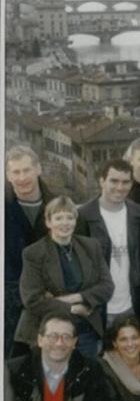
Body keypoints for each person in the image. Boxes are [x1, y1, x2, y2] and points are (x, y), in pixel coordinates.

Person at [16, 196, 113, 359]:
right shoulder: (33, 253)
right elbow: (32, 299)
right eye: (58, 218)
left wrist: (76, 297)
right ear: (48, 222)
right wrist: (74, 308)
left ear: (75, 221)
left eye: (69, 217)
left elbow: (107, 286)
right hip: (51, 333)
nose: (65, 223)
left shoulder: (91, 246)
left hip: (86, 332)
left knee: (85, 381)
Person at [75, 158, 140, 334]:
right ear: (102, 181)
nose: (120, 187)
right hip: (97, 309)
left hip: (131, 307)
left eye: (125, 182)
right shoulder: (83, 216)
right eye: (114, 181)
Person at [6, 145, 55, 357]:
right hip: (10, 308)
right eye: (15, 172)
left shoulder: (59, 206)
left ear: (38, 169)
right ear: (7, 175)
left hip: (50, 301)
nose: (22, 177)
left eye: (26, 170)